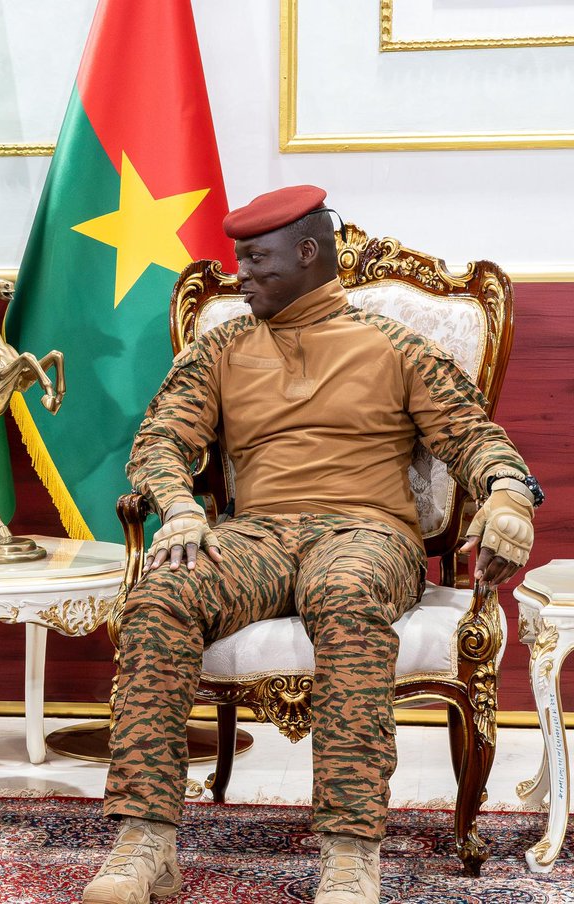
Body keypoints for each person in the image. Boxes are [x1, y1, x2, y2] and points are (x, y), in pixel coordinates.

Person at [82, 185, 542, 904]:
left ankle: (350, 853)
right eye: (238, 260)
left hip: (367, 533)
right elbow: (161, 440)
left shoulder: (395, 348)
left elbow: (476, 438)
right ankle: (145, 845)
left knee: (345, 592)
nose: (241, 276)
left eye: (257, 259)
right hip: (258, 535)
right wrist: (177, 507)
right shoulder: (222, 346)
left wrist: (510, 496)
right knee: (162, 593)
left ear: (307, 254)